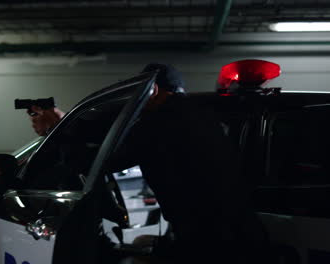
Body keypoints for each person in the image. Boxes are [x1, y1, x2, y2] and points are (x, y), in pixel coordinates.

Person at [113, 63, 270, 264]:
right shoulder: (205, 115)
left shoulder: (156, 123)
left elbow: (112, 160)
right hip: (245, 233)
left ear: (153, 90)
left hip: (208, 240)